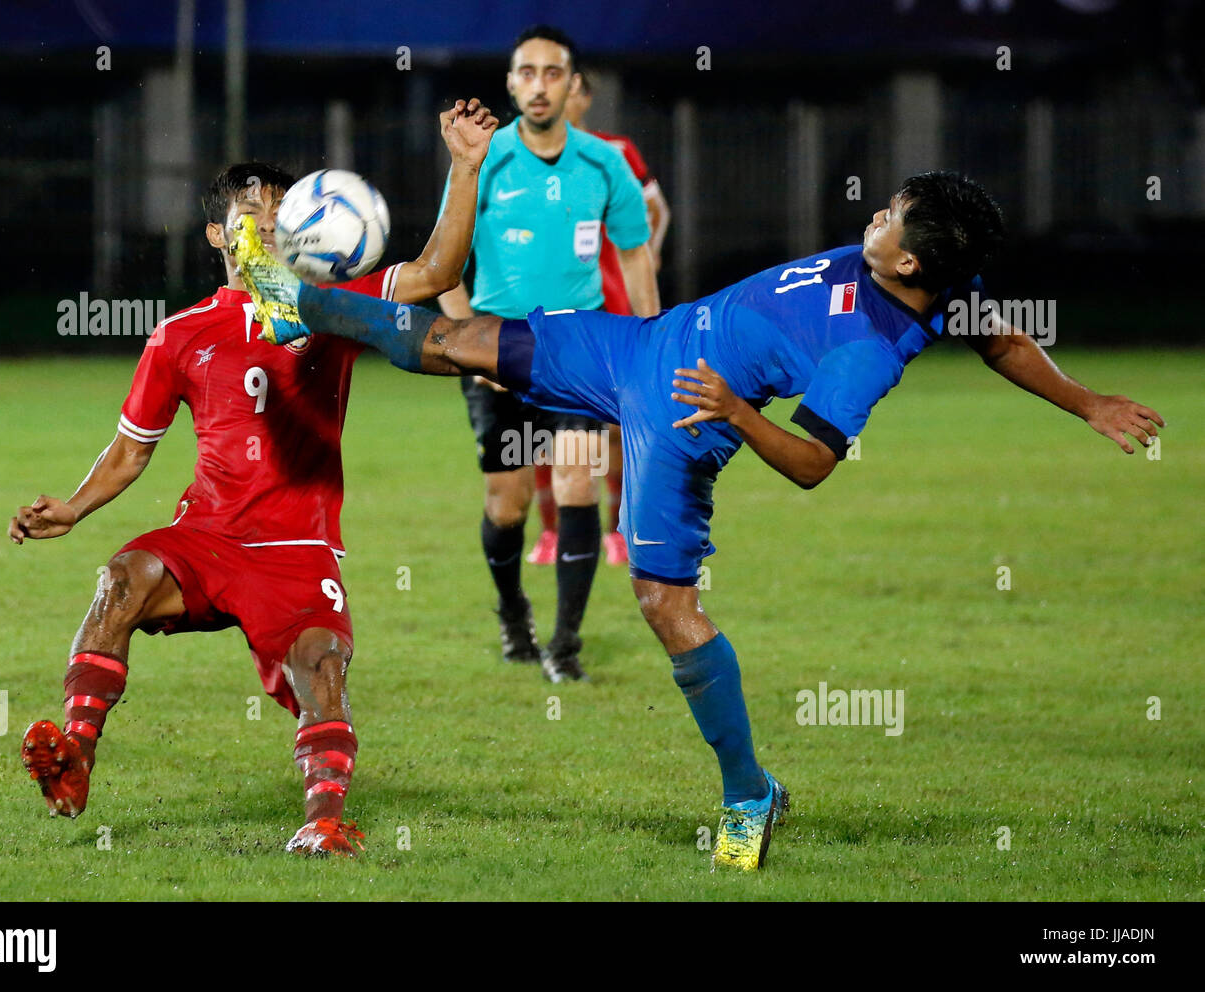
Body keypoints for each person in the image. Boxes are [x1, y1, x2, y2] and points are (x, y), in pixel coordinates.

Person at [231, 170, 1164, 870]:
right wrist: (1088, 404)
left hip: (683, 412)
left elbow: (809, 465)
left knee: (663, 603)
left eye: (888, 217)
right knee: (455, 342)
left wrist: (732, 408)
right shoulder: (943, 286)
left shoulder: (866, 355)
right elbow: (999, 334)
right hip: (645, 342)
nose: (873, 215)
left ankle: (748, 795)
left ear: (910, 261)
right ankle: (292, 301)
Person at [8, 98, 499, 857]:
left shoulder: (329, 307)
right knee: (120, 579)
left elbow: (438, 268)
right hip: (206, 536)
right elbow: (132, 448)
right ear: (216, 232)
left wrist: (465, 165)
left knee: (320, 667)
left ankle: (326, 822)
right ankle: (75, 755)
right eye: (250, 211)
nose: (266, 224)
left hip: (296, 545)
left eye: (280, 211)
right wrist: (72, 509)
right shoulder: (180, 334)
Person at [436, 25, 661, 683]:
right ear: (511, 84)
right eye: (526, 73)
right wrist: (476, 345)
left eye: (552, 73)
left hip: (578, 352)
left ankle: (564, 647)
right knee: (507, 505)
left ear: (573, 85)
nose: (538, 85)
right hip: (498, 353)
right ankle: (514, 618)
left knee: (575, 483)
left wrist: (647, 344)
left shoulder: (604, 164)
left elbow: (636, 254)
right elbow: (442, 267)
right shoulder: (484, 162)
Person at [527, 68, 671, 568]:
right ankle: (551, 531)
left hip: (612, 309)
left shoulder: (615, 152)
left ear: (584, 97)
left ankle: (616, 530)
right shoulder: (523, 156)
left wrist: (642, 263)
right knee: (546, 428)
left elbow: (658, 212)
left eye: (569, 86)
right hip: (549, 314)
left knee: (613, 426)